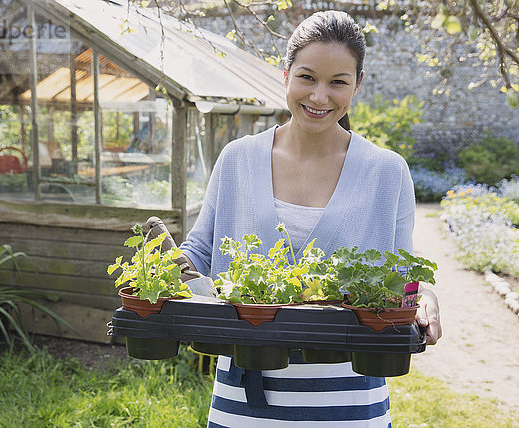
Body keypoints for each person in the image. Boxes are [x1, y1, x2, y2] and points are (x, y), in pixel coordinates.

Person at [180, 10, 442, 427]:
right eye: (307, 77)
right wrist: (165, 266)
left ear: (357, 85)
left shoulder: (386, 171)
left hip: (350, 398)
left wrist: (424, 295)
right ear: (285, 73)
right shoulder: (238, 160)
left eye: (338, 82)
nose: (320, 97)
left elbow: (401, 270)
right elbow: (200, 250)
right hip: (245, 398)